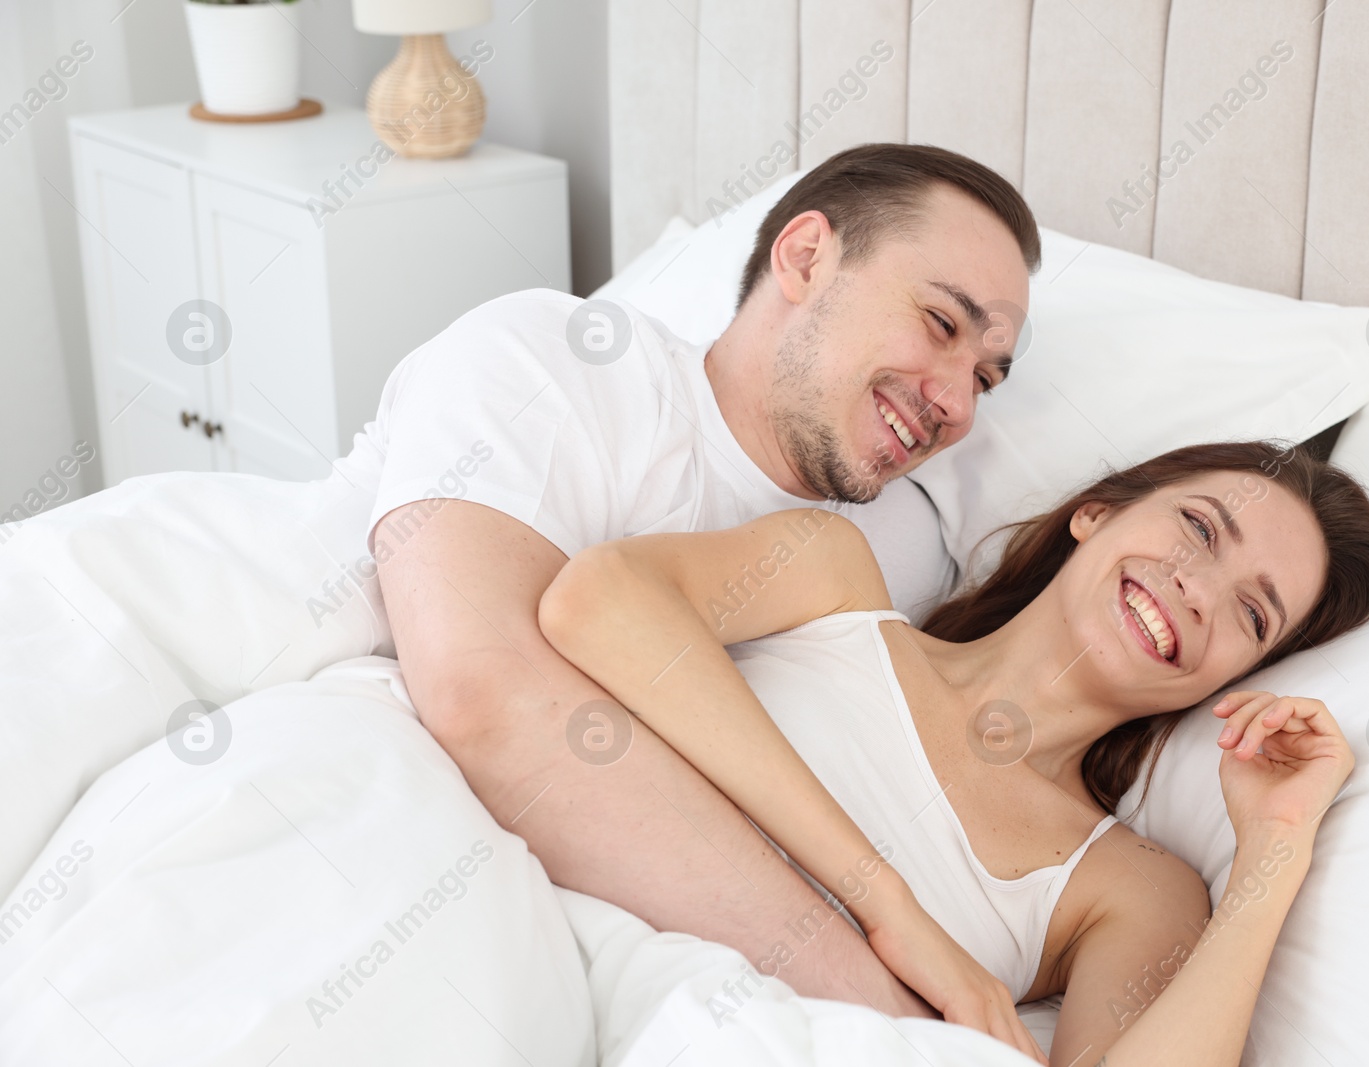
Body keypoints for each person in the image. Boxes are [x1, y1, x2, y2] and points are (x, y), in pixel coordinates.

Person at [363, 144, 1039, 1023]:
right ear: (804, 258)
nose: (957, 402)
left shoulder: (902, 553)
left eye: (987, 377)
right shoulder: (564, 363)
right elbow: (483, 697)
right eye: (942, 324)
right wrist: (899, 1020)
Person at [538, 441, 1369, 1065]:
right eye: (1199, 530)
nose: (1198, 586)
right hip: (548, 940)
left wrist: (1276, 850)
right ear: (1094, 513)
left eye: (1254, 615)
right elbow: (597, 599)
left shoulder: (1129, 888)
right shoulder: (829, 582)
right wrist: (894, 911)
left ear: (1238, 678)